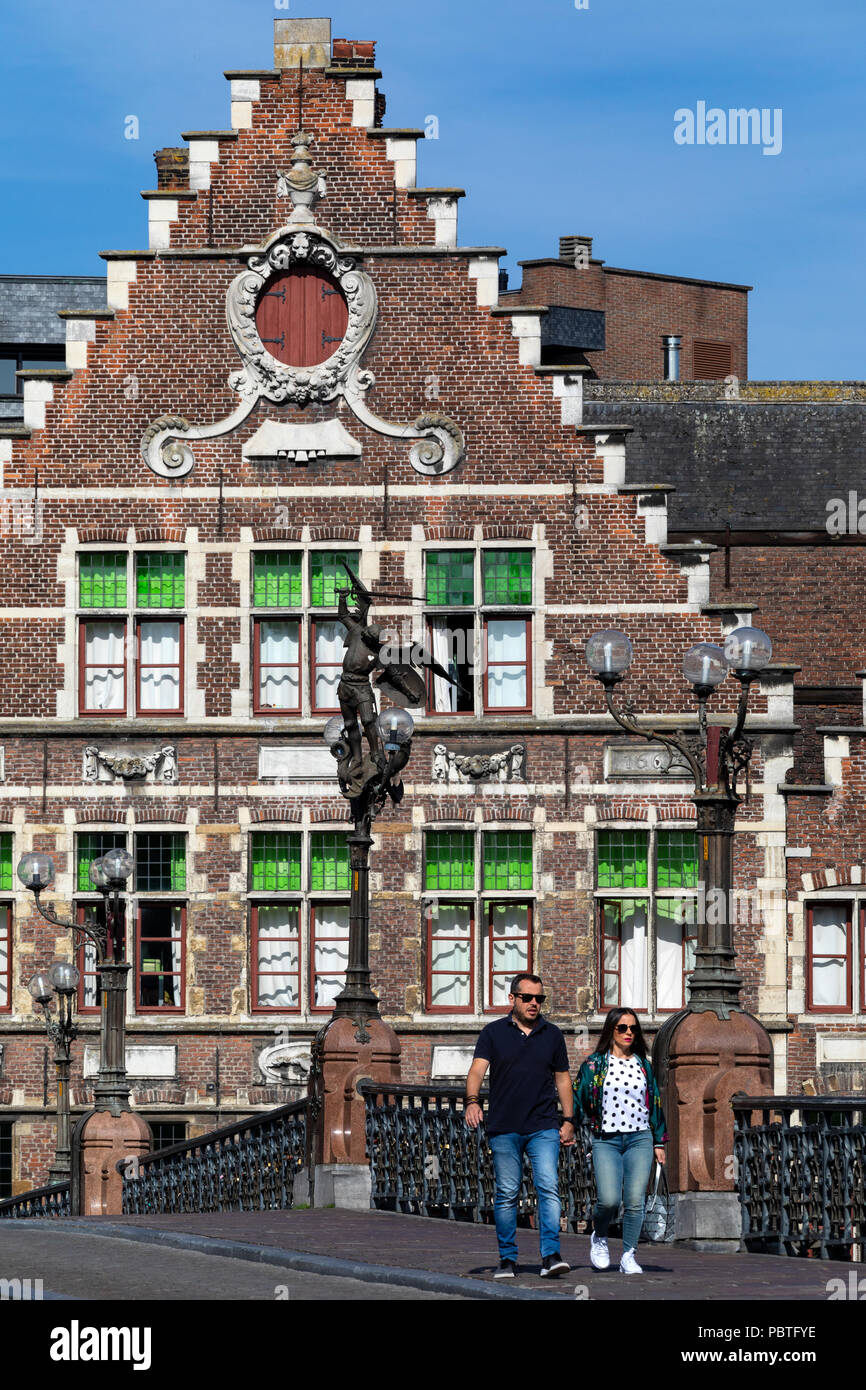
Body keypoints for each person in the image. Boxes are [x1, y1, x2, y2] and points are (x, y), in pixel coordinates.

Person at [465, 972, 576, 1280]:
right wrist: (473, 1101)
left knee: (548, 1188)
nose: (534, 1004)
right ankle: (507, 1259)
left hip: (543, 1125)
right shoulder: (492, 1033)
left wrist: (568, 1120)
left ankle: (551, 1256)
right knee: (507, 1193)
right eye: (527, 998)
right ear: (512, 999)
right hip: (504, 1126)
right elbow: (476, 1071)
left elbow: (563, 1079)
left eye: (539, 999)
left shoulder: (552, 1035)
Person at [572, 1006, 667, 1275]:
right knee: (610, 1200)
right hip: (606, 1140)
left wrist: (659, 1141)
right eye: (622, 1028)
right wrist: (569, 1126)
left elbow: (655, 1103)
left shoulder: (643, 1064)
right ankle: (599, 1236)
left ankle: (628, 1254)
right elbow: (578, 1099)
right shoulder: (594, 1064)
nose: (628, 1033)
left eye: (633, 1028)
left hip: (640, 1138)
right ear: (611, 1030)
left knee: (635, 1200)